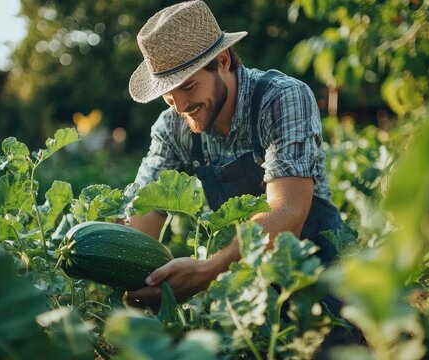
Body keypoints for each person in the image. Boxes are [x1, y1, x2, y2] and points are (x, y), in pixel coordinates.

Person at [124, 0, 342, 310]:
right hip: (244, 291)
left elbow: (289, 212)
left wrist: (208, 270)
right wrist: (124, 270)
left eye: (188, 87)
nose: (181, 105)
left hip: (318, 277)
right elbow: (143, 210)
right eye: (168, 95)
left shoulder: (281, 97)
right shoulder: (172, 126)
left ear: (223, 61)